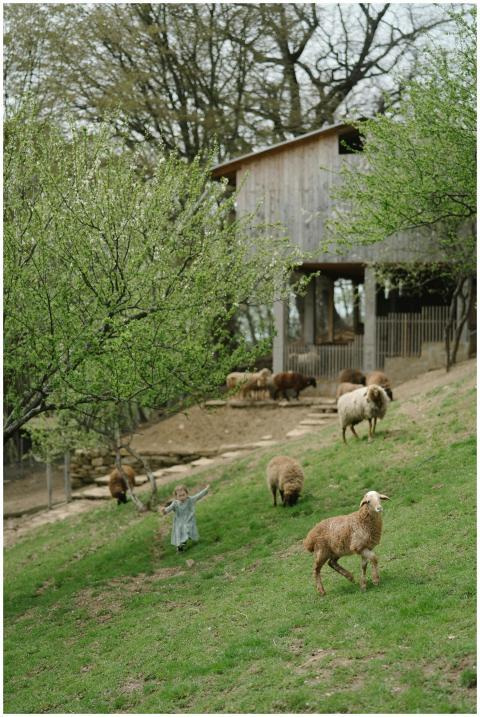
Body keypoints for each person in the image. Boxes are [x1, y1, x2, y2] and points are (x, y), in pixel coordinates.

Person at [162, 484, 210, 552]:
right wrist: (164, 510)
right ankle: (180, 546)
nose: (182, 497)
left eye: (183, 495)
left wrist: (206, 489)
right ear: (176, 497)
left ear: (187, 494)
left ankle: (183, 543)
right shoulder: (175, 503)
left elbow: (198, 496)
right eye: (179, 496)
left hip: (189, 520)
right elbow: (169, 509)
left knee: (187, 530)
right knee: (180, 533)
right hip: (179, 521)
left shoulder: (190, 500)